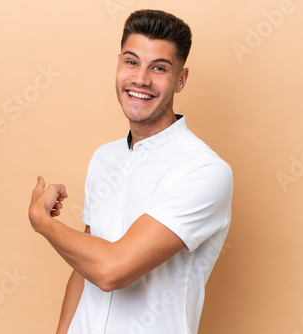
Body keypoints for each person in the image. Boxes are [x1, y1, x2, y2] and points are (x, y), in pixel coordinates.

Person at [28, 9, 233, 334]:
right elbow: (85, 267)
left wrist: (42, 222)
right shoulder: (104, 157)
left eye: (159, 68)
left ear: (181, 79)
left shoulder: (204, 171)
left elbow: (111, 270)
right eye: (132, 62)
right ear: (119, 65)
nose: (140, 79)